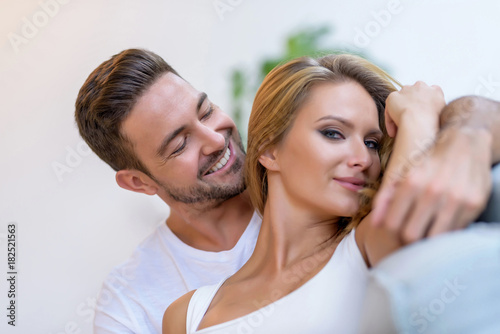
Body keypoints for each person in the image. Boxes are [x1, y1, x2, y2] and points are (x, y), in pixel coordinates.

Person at [75, 49, 498, 333]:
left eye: (206, 110)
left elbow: (419, 197)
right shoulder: (175, 310)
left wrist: (433, 120)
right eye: (179, 142)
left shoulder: (368, 240)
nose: (215, 138)